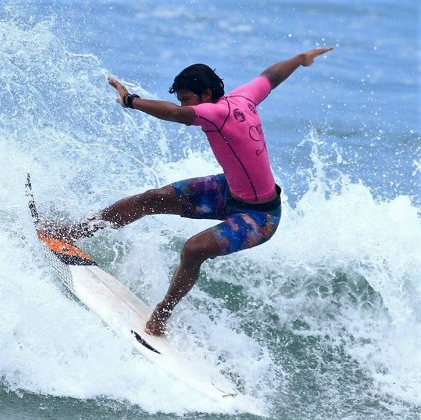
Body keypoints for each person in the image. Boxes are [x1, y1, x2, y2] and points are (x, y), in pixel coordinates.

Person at [43, 47, 333, 336]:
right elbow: (271, 76)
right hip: (228, 189)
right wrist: (299, 59)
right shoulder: (245, 97)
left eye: (187, 99)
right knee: (150, 199)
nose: (184, 105)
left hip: (259, 217)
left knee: (194, 249)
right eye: (182, 100)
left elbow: (175, 114)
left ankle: (162, 315)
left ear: (206, 94)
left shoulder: (215, 112)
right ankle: (71, 232)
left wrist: (131, 101)